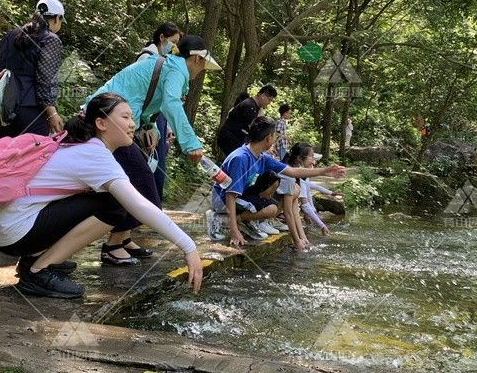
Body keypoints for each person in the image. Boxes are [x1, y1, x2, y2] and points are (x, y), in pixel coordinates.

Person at [0, 93, 203, 298]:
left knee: (104, 200)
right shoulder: (95, 155)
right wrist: (188, 247)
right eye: (125, 117)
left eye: (132, 117)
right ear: (101, 123)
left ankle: (34, 259)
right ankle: (39, 271)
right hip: (12, 232)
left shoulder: (76, 143)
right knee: (114, 206)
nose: (132, 124)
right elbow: (139, 205)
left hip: (3, 225)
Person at [86, 35, 221, 265]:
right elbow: (170, 103)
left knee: (135, 181)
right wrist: (191, 144)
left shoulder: (168, 65)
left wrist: (148, 125)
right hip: (107, 127)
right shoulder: (177, 70)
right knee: (145, 185)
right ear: (197, 59)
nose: (202, 71)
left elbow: (145, 97)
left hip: (108, 124)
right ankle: (113, 245)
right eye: (203, 66)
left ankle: (123, 238)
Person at [211, 117, 346, 247]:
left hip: (241, 195)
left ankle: (245, 221)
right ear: (268, 137)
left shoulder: (261, 157)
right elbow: (230, 195)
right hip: (222, 199)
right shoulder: (241, 158)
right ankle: (222, 220)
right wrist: (234, 233)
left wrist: (323, 171)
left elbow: (293, 172)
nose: (275, 138)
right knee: (270, 209)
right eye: (274, 135)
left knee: (272, 208)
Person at [0, 0, 66, 138]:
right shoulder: (51, 39)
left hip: (0, 109)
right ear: (57, 18)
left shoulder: (9, 36)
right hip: (30, 111)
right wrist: (52, 112)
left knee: (5, 158)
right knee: (32, 159)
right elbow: (45, 79)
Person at [135, 22, 184, 201]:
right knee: (149, 166)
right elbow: (142, 96)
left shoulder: (165, 60)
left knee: (157, 165)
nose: (174, 46)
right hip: (147, 119)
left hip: (158, 119)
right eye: (173, 41)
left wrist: (168, 126)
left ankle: (152, 208)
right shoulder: (147, 58)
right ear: (162, 38)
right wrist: (149, 125)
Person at [216, 85, 277, 156]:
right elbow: (256, 130)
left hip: (236, 139)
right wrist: (266, 144)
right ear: (263, 95)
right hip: (230, 138)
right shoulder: (249, 106)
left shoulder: (256, 108)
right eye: (269, 99)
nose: (269, 103)